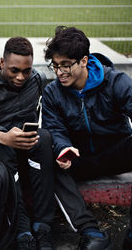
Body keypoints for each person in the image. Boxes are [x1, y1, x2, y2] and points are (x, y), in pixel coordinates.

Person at [42, 26, 132, 250]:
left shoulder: (116, 81)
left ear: (83, 61)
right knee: (43, 149)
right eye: (55, 65)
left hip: (117, 152)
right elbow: (54, 128)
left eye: (65, 65)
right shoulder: (52, 92)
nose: (59, 72)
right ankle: (91, 233)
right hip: (79, 157)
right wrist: (63, 149)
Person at [0, 37, 55, 250]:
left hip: (24, 149)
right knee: (4, 148)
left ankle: (43, 227)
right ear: (2, 63)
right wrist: (3, 136)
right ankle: (22, 229)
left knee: (44, 139)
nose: (20, 76)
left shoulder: (36, 79)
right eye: (14, 70)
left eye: (26, 70)